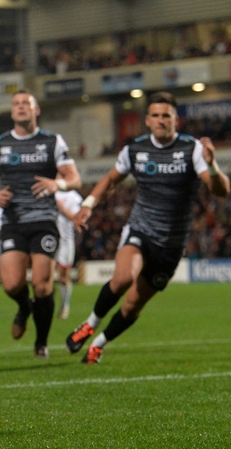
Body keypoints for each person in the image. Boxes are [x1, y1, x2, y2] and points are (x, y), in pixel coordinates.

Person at [65, 91, 229, 364]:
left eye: (167, 115)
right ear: (147, 120)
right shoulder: (135, 150)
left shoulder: (192, 150)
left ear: (176, 120)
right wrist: (88, 204)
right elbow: (111, 180)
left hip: (171, 245)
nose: (161, 120)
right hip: (140, 230)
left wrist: (212, 166)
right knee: (123, 278)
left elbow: (220, 190)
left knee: (133, 305)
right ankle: (90, 323)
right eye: (156, 115)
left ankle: (99, 344)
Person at [0, 89, 82, 358]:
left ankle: (41, 343)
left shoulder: (52, 141)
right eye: (16, 104)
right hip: (13, 222)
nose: (21, 107)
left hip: (44, 221)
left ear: (36, 110)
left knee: (42, 285)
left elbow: (74, 178)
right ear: (12, 111)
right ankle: (25, 308)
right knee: (12, 284)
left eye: (26, 103)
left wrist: (56, 183)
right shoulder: (0, 144)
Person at [53, 179, 83, 319]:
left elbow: (76, 218)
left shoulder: (73, 197)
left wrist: (62, 208)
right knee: (46, 274)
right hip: (50, 239)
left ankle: (65, 305)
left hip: (66, 241)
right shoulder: (50, 192)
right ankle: (46, 304)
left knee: (63, 277)